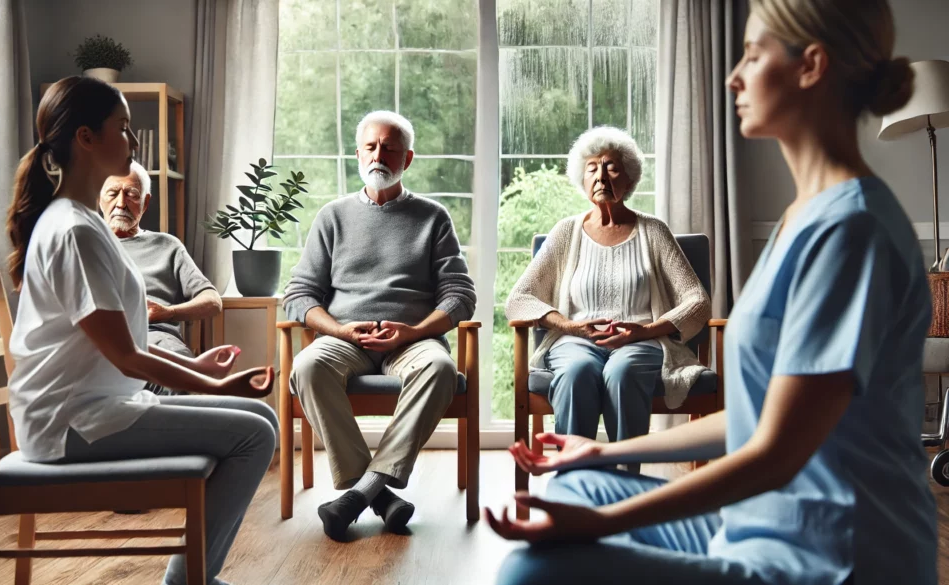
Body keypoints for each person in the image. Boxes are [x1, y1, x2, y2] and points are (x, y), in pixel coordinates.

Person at [489, 1, 936, 584]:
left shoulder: (850, 232)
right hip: (756, 520)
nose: (733, 76)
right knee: (579, 480)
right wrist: (602, 452)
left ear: (812, 66)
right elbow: (752, 420)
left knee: (529, 572)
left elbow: (775, 451)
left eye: (752, 55)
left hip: (828, 554)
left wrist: (600, 525)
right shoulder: (801, 218)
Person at [6, 76, 277, 585]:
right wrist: (214, 385)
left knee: (260, 421)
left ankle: (191, 575)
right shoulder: (74, 231)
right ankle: (187, 580)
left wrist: (193, 366)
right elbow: (128, 356)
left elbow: (121, 343)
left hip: (98, 409)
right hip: (70, 424)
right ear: (86, 138)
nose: (133, 142)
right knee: (254, 434)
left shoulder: (82, 222)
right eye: (124, 128)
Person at [283, 110, 477, 541]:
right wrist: (338, 331)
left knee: (441, 368)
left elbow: (461, 294)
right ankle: (377, 494)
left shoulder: (433, 217)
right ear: (358, 154)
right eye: (370, 147)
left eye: (389, 147)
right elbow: (298, 295)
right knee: (308, 366)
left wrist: (416, 331)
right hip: (346, 337)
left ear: (407, 158)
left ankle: (360, 491)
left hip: (411, 340)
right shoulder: (332, 217)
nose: (378, 155)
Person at [505, 126, 710, 468]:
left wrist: (645, 331)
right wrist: (571, 327)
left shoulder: (653, 231)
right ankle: (574, 483)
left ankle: (624, 485)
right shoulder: (566, 232)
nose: (601, 176)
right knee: (577, 372)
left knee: (624, 372)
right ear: (581, 180)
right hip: (574, 341)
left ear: (629, 178)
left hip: (641, 341)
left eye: (612, 167)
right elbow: (519, 299)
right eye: (592, 168)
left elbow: (698, 301)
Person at [100, 161, 223, 395]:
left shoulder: (167, 246)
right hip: (101, 344)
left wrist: (169, 312)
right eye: (113, 193)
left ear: (145, 203)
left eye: (132, 195)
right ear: (99, 199)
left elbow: (213, 301)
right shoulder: (83, 244)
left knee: (179, 378)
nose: (121, 203)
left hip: (156, 338)